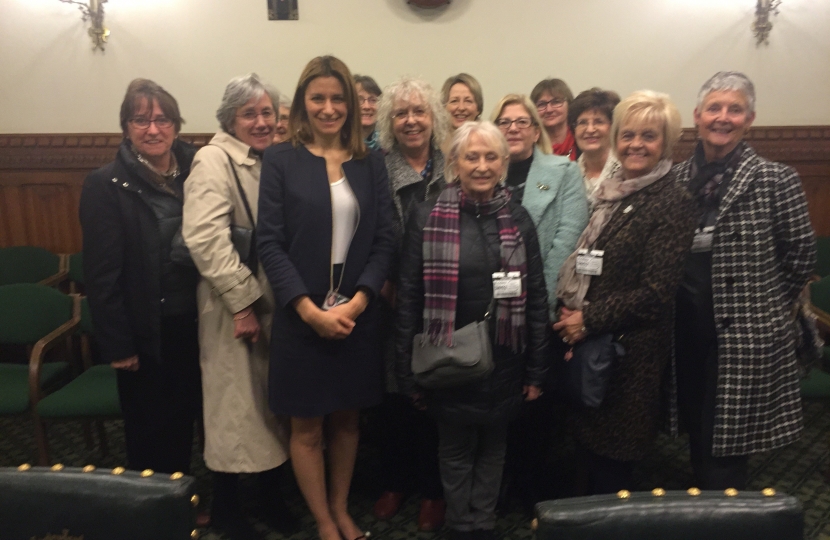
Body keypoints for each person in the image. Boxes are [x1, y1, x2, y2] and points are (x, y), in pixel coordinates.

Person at [256, 55, 394, 540]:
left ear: (352, 106)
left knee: (348, 422)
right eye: (319, 98)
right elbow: (268, 241)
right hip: (302, 318)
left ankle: (341, 508)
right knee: (307, 427)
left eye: (339, 98)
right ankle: (323, 521)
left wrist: (359, 301)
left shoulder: (369, 161)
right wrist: (306, 309)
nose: (329, 107)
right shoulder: (280, 159)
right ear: (302, 103)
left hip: (356, 317)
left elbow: (385, 238)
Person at [396, 121, 550, 540]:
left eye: (490, 157)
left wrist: (537, 371)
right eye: (471, 156)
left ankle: (483, 523)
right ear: (455, 163)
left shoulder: (519, 219)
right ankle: (460, 524)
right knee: (455, 448)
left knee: (494, 447)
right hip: (447, 358)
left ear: (504, 163)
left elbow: (536, 297)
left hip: (505, 358)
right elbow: (409, 295)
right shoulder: (426, 215)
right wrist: (406, 372)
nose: (481, 166)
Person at [671, 71, 817, 490]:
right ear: (697, 116)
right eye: (714, 108)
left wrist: (765, 305)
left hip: (745, 334)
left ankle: (725, 516)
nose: (723, 117)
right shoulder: (676, 178)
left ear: (749, 119)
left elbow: (800, 255)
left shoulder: (777, 178)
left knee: (729, 441)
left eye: (734, 109)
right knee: (697, 421)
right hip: (686, 328)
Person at [553, 91, 696, 494]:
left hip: (630, 356)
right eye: (628, 134)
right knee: (587, 451)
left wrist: (588, 318)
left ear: (665, 143)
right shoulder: (615, 193)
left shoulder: (672, 200)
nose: (636, 144)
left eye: (648, 136)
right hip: (592, 344)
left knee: (612, 465)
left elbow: (656, 292)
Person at [182, 73, 296, 539]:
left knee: (271, 407)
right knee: (234, 412)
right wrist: (244, 303)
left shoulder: (274, 159)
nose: (262, 121)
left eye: (267, 112)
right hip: (233, 307)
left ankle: (270, 500)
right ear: (231, 119)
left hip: (276, 301)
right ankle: (229, 512)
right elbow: (204, 238)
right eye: (250, 114)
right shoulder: (213, 159)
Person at [79, 79, 201, 475]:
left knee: (192, 418)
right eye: (141, 120)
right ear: (126, 127)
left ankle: (188, 494)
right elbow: (101, 276)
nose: (153, 129)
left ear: (177, 125)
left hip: (197, 322)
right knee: (150, 426)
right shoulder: (105, 184)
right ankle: (155, 509)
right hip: (144, 332)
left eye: (163, 119)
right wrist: (118, 345)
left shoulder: (199, 169)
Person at [490, 93, 588, 507]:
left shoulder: (563, 171)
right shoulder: (483, 169)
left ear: (536, 129)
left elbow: (568, 238)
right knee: (497, 402)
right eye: (504, 121)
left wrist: (536, 306)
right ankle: (498, 481)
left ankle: (529, 487)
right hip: (489, 314)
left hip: (540, 312)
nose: (513, 128)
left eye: (521, 121)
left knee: (536, 406)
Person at [371, 76, 451, 530]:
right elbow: (364, 232)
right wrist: (385, 284)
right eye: (401, 113)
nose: (411, 120)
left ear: (434, 117)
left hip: (444, 302)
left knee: (438, 396)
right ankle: (396, 481)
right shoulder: (375, 169)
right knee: (394, 397)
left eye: (419, 111)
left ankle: (433, 489)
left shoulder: (453, 166)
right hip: (390, 300)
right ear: (389, 122)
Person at [568, 88, 621, 205]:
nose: (590, 129)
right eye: (582, 123)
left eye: (598, 121)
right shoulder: (568, 175)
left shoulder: (626, 171)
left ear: (613, 127)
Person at [531, 78, 576, 160]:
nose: (549, 110)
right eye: (541, 104)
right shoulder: (529, 148)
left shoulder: (582, 141)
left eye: (556, 102)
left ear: (569, 104)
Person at [440, 73, 483, 154]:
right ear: (443, 107)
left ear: (478, 108)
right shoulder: (434, 144)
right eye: (454, 101)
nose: (461, 108)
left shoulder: (490, 142)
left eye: (468, 101)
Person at [355, 74, 382, 151]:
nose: (366, 106)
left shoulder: (389, 146)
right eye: (359, 100)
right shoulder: (339, 146)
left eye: (373, 100)